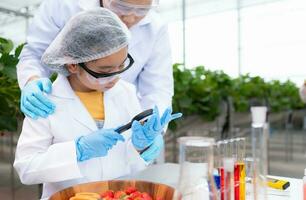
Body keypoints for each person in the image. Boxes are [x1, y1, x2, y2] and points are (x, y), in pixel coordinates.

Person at [14, 8, 181, 199]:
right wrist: (77, 151)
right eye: (106, 70)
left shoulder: (125, 92)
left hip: (116, 195)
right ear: (73, 64)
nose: (116, 77)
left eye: (122, 65)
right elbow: (26, 168)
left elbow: (129, 163)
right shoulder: (45, 101)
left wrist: (140, 147)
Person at [18, 0, 173, 120]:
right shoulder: (64, 5)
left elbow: (158, 88)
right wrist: (32, 79)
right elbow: (35, 53)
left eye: (142, 10)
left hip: (120, 113)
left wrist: (151, 129)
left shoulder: (155, 27)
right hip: (69, 107)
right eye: (122, 6)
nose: (131, 18)